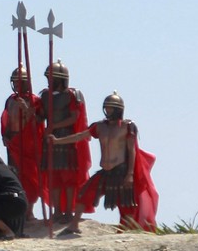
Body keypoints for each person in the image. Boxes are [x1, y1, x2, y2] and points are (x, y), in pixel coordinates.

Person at [49, 92, 159, 232]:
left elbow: (132, 151)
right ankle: (74, 225)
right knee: (84, 194)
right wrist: (58, 141)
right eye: (106, 108)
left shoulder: (127, 127)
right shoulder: (100, 127)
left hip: (121, 170)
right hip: (105, 172)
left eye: (110, 108)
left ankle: (126, 229)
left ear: (117, 109)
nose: (107, 111)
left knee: (126, 203)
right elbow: (81, 136)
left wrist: (130, 174)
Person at [39, 61, 91, 234]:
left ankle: (69, 211)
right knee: (53, 176)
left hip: (67, 138)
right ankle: (57, 211)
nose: (48, 80)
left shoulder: (72, 95)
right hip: (50, 140)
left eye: (51, 77)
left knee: (68, 177)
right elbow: (41, 115)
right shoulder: (45, 96)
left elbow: (74, 118)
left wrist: (54, 126)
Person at [1, 66, 44, 214]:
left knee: (30, 178)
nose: (18, 85)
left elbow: (39, 120)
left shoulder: (35, 100)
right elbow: (7, 119)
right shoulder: (10, 100)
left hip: (28, 144)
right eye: (16, 82)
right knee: (15, 176)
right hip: (13, 143)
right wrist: (5, 135)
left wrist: (26, 108)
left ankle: (29, 211)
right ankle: (19, 211)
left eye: (20, 82)